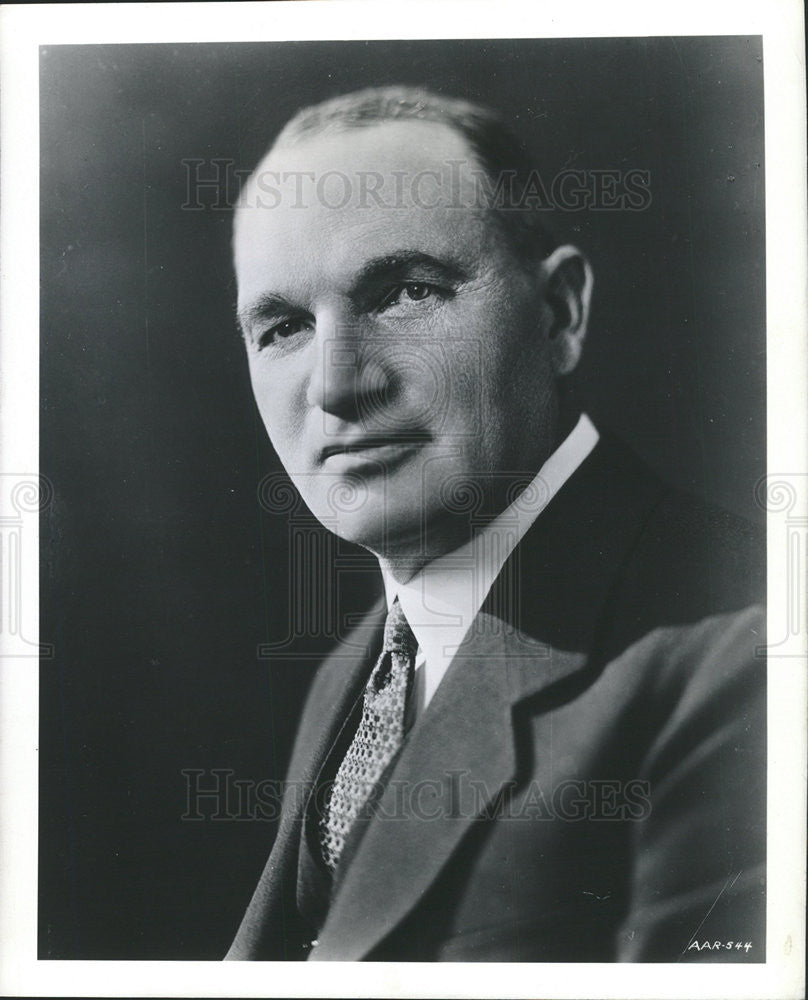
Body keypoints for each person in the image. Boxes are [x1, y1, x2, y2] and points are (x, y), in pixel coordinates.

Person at [225, 87, 765, 962]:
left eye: (404, 292)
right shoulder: (349, 675)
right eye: (284, 326)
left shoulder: (744, 654)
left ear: (559, 314)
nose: (334, 386)